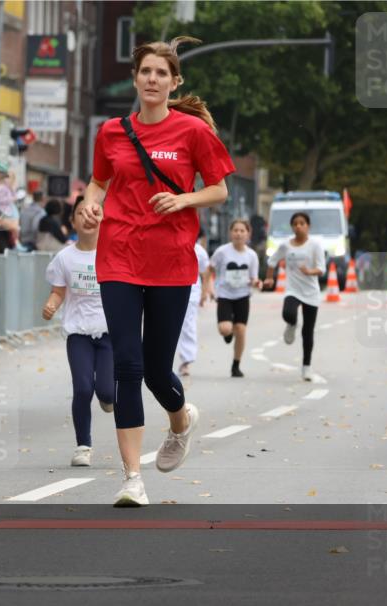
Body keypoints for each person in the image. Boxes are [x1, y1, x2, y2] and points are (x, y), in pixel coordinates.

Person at [78, 37, 234, 507]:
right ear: (135, 77)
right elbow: (99, 182)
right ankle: (132, 478)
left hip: (170, 262)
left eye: (161, 73)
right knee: (127, 365)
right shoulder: (111, 133)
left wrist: (184, 199)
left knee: (156, 372)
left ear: (175, 82)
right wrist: (89, 205)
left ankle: (181, 416)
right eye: (145, 71)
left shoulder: (192, 132)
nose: (152, 79)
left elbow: (219, 189)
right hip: (119, 258)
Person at [42, 195, 115, 468]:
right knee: (83, 388)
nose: (87, 217)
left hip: (109, 333)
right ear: (72, 220)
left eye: (93, 212)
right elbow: (58, 291)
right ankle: (83, 445)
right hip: (78, 333)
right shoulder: (64, 257)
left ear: (103, 219)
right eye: (80, 213)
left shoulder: (112, 253)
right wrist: (51, 305)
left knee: (107, 391)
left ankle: (109, 399)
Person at [263, 212, 325, 381]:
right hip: (293, 290)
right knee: (288, 313)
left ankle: (306, 367)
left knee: (308, 331)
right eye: (295, 223)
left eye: (302, 223)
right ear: (292, 226)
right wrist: (269, 278)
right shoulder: (286, 245)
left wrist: (309, 271)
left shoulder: (315, 245)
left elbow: (321, 269)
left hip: (311, 292)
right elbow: (272, 261)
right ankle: (291, 323)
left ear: (308, 226)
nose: (298, 226)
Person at [206, 218, 261, 377]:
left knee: (241, 330)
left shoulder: (251, 255)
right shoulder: (222, 251)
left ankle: (236, 365)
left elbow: (254, 277)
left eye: (242, 231)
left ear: (248, 234)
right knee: (225, 329)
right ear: (230, 233)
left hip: (243, 295)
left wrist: (257, 283)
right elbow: (210, 270)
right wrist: (209, 289)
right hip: (224, 295)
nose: (238, 233)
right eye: (235, 230)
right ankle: (228, 333)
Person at [175, 230, 211, 377]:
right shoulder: (169, 245)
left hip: (191, 293)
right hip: (167, 291)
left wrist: (204, 292)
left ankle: (186, 361)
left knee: (188, 325)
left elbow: (206, 270)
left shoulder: (198, 250)